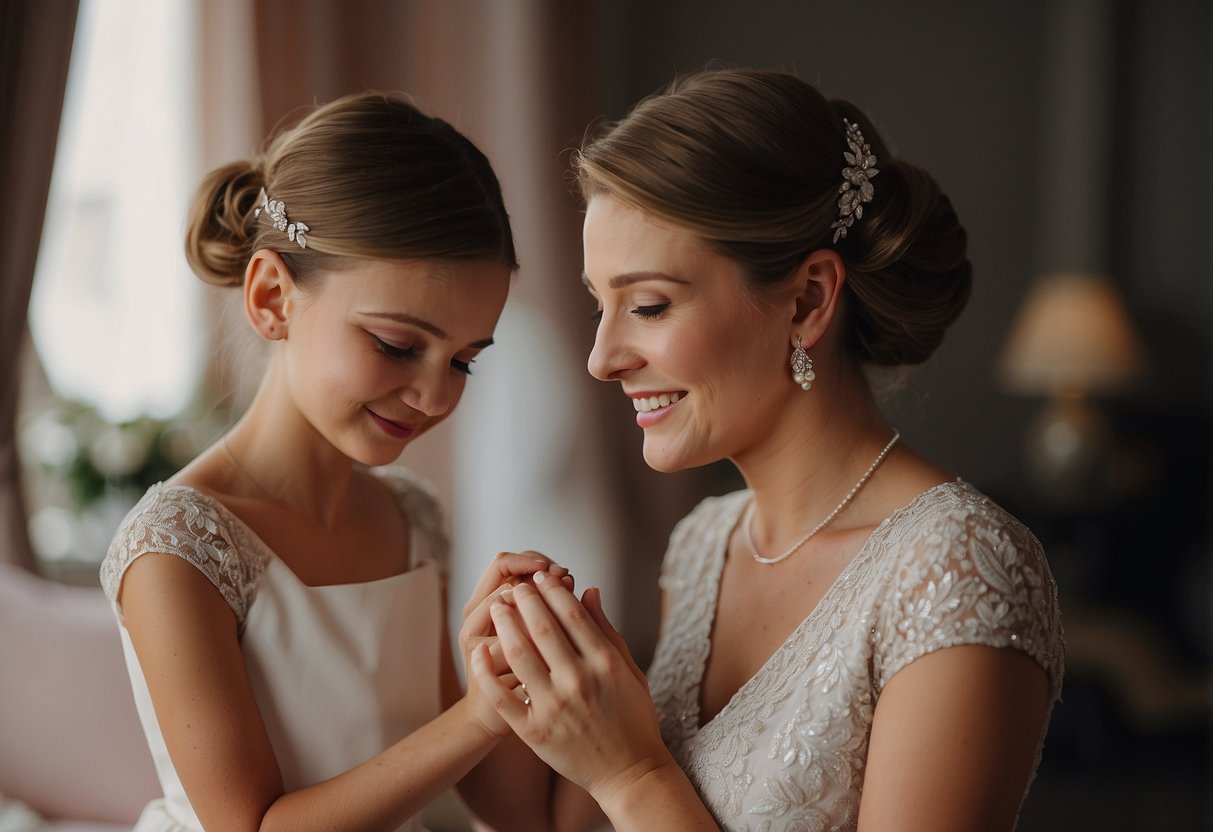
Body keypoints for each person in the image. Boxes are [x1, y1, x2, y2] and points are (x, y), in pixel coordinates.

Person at [471, 68, 1065, 831]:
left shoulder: (955, 566)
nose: (602, 357)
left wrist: (632, 772)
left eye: (647, 305)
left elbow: (635, 793)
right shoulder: (703, 546)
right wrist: (514, 682)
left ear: (808, 299)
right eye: (599, 305)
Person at [99, 91, 565, 831]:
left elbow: (516, 812)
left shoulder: (412, 517)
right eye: (396, 345)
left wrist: (519, 670)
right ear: (271, 298)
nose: (434, 395)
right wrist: (475, 717)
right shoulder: (175, 547)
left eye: (464, 361)